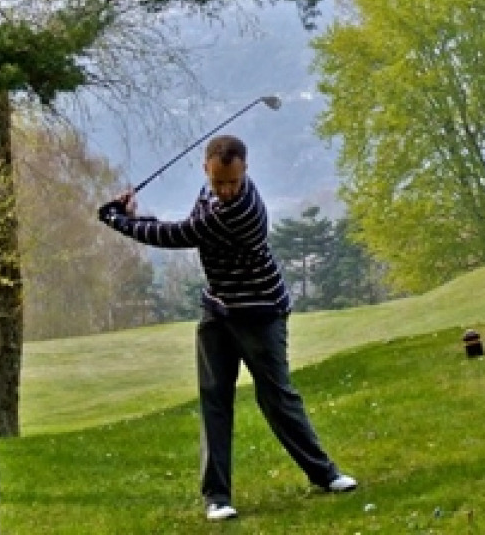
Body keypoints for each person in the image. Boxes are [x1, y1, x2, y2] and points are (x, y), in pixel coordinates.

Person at [97, 134, 357, 522]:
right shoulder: (209, 197)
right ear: (207, 170)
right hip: (219, 310)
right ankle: (217, 497)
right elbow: (189, 224)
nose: (227, 189)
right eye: (219, 182)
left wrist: (118, 220)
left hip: (260, 313)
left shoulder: (240, 211)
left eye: (233, 181)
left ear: (245, 171)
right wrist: (133, 218)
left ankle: (325, 473)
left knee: (277, 399)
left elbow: (179, 235)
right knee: (214, 401)